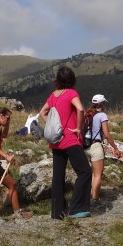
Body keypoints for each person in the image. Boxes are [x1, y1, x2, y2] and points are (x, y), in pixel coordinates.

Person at [39, 66, 92, 219]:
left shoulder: (53, 95)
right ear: (72, 79)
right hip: (69, 139)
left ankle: (57, 212)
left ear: (58, 80)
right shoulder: (71, 93)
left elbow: (43, 112)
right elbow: (80, 109)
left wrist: (52, 126)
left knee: (58, 176)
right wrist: (78, 128)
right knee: (84, 171)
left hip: (56, 141)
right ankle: (77, 208)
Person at [84, 94, 120, 205]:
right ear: (102, 104)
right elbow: (107, 133)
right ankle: (95, 198)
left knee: (90, 174)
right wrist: (115, 147)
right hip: (96, 146)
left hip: (85, 146)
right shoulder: (102, 115)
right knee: (98, 174)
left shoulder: (87, 114)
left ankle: (89, 195)